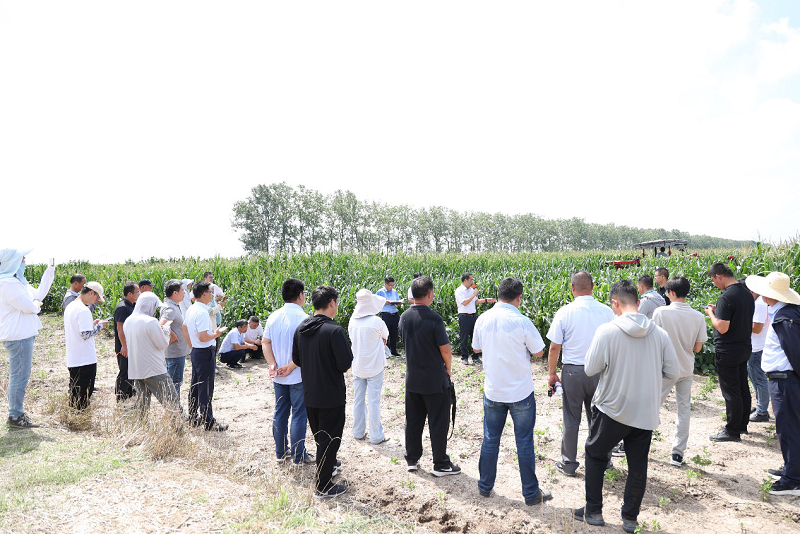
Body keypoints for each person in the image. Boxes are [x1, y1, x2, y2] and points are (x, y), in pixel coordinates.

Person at [573, 280, 678, 532]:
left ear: (615, 303)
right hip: (645, 411)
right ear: (639, 303)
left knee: (595, 454)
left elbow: (590, 368)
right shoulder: (660, 334)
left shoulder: (607, 331)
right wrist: (653, 392)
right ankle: (630, 519)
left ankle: (594, 511)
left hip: (612, 408)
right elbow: (673, 372)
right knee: (638, 464)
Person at [473, 277, 551, 505]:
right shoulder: (522, 321)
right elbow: (539, 352)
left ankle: (485, 486)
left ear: (498, 295)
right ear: (519, 297)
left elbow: (476, 348)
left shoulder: (483, 319)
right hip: (520, 392)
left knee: (490, 439)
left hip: (494, 391)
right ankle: (531, 494)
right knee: (524, 442)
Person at [546, 271, 615, 477]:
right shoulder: (607, 312)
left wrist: (552, 374)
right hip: (600, 372)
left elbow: (554, 348)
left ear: (572, 288)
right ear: (593, 286)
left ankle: (568, 463)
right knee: (600, 418)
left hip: (573, 372)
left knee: (571, 419)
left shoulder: (565, 312)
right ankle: (603, 461)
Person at [293, 285, 353, 498]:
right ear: (332, 303)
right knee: (330, 439)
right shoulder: (334, 330)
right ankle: (323, 486)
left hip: (310, 392)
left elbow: (297, 359)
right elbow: (344, 363)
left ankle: (328, 468)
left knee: (321, 438)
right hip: (331, 394)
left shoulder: (302, 328)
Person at [399, 275, 461, 476]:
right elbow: (445, 350)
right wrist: (448, 368)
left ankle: (412, 459)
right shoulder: (434, 319)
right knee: (438, 422)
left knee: (413, 421)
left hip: (412, 379)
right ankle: (440, 463)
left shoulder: (404, 317)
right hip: (434, 380)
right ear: (430, 294)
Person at [745, 272, 800, 496]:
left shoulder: (785, 317)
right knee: (787, 427)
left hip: (785, 380)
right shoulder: (784, 312)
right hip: (783, 379)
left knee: (789, 428)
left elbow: (795, 352)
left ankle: (793, 479)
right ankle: (791, 467)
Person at [652, 276, 708, 467]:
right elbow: (698, 348)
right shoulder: (698, 316)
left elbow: (653, 341)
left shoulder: (661, 313)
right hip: (686, 368)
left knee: (651, 407)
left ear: (672, 293)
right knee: (683, 410)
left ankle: (638, 443)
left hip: (664, 369)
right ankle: (677, 454)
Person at [0, 248, 55, 428]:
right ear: (12, 262)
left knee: (21, 375)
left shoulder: (17, 281)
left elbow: (38, 296)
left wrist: (50, 270)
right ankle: (16, 415)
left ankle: (16, 413)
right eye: (22, 259)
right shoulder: (8, 283)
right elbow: (30, 307)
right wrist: (36, 305)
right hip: (18, 337)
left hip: (22, 335)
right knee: (19, 376)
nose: (24, 261)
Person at [264, 278, 312, 464]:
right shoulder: (305, 319)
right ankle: (298, 456)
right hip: (298, 375)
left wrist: (272, 364)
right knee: (299, 414)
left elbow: (266, 342)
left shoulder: (273, 317)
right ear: (300, 296)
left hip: (278, 376)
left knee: (280, 412)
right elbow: (306, 350)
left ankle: (281, 452)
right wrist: (291, 366)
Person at [705, 262, 755, 442]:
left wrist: (711, 314)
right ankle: (742, 425)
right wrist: (718, 311)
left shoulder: (726, 297)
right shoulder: (747, 294)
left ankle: (732, 431)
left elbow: (722, 327)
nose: (715, 284)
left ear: (719, 276)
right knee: (742, 387)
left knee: (731, 390)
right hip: (744, 346)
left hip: (728, 350)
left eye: (714, 280)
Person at [124, 292, 180, 425]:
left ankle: (141, 430)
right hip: (155, 369)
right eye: (155, 307)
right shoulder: (151, 321)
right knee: (172, 402)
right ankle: (178, 432)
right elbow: (163, 344)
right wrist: (166, 330)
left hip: (137, 369)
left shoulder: (128, 321)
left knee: (141, 405)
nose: (155, 311)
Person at [184, 280, 228, 431]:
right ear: (204, 294)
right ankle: (209, 422)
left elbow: (184, 328)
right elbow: (203, 337)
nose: (212, 295)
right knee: (206, 388)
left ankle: (192, 416)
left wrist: (192, 346)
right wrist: (217, 333)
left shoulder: (192, 308)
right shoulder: (202, 312)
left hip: (197, 351)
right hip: (205, 351)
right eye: (211, 292)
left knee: (195, 386)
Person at [348, 289, 390, 444]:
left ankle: (358, 432)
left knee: (358, 400)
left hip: (358, 365)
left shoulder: (352, 321)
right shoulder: (376, 321)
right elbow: (385, 336)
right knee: (374, 402)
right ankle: (376, 436)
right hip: (374, 366)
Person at [63, 282, 108, 410]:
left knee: (75, 393)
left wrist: (91, 325)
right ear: (91, 293)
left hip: (74, 358)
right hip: (85, 360)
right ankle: (80, 417)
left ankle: (73, 416)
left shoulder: (71, 306)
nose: (95, 301)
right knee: (83, 395)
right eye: (96, 298)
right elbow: (85, 334)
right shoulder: (83, 310)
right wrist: (100, 326)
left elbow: (77, 329)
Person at [740, 278, 770, 423]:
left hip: (757, 347)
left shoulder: (759, 304)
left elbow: (756, 329)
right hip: (757, 346)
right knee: (755, 378)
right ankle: (760, 406)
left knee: (759, 379)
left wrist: (739, 322)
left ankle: (762, 411)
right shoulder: (760, 302)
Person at [455, 273, 496, 365]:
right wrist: (473, 295)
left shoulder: (471, 290)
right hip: (464, 316)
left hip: (473, 316)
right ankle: (464, 357)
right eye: (471, 279)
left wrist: (486, 300)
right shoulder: (459, 291)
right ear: (465, 280)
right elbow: (464, 303)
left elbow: (475, 301)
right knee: (464, 338)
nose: (472, 281)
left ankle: (475, 357)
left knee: (475, 337)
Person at [162, 279, 190, 401]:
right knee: (175, 383)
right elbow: (161, 326)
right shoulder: (171, 309)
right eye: (182, 290)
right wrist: (172, 335)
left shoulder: (171, 305)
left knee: (172, 383)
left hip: (174, 352)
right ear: (175, 293)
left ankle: (172, 407)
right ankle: (174, 409)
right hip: (175, 352)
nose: (184, 292)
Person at [113, 281, 140, 401]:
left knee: (131, 370)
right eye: (137, 292)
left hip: (132, 345)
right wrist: (124, 346)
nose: (139, 294)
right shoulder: (122, 308)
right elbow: (120, 328)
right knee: (125, 371)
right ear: (130, 294)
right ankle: (121, 397)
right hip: (125, 346)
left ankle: (129, 393)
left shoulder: (133, 305)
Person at [376, 276, 403, 357]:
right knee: (385, 333)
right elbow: (376, 302)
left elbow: (397, 300)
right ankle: (384, 351)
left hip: (394, 313)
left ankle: (393, 351)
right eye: (390, 285)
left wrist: (399, 302)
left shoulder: (394, 292)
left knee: (394, 333)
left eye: (393, 285)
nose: (391, 287)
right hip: (386, 314)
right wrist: (384, 302)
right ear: (385, 284)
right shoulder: (380, 292)